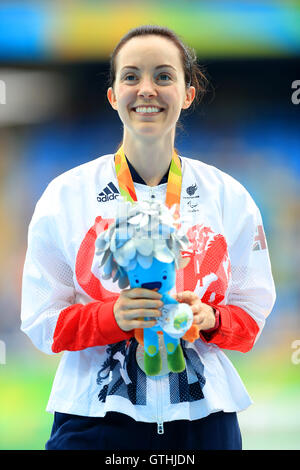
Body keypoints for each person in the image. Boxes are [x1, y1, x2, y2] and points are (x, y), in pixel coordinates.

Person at [21, 24, 276, 450]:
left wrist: (209, 319)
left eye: (163, 75)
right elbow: (42, 323)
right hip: (93, 419)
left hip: (204, 420)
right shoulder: (66, 196)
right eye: (131, 76)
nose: (146, 89)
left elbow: (251, 320)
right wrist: (111, 317)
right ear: (112, 95)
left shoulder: (230, 197)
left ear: (188, 93)